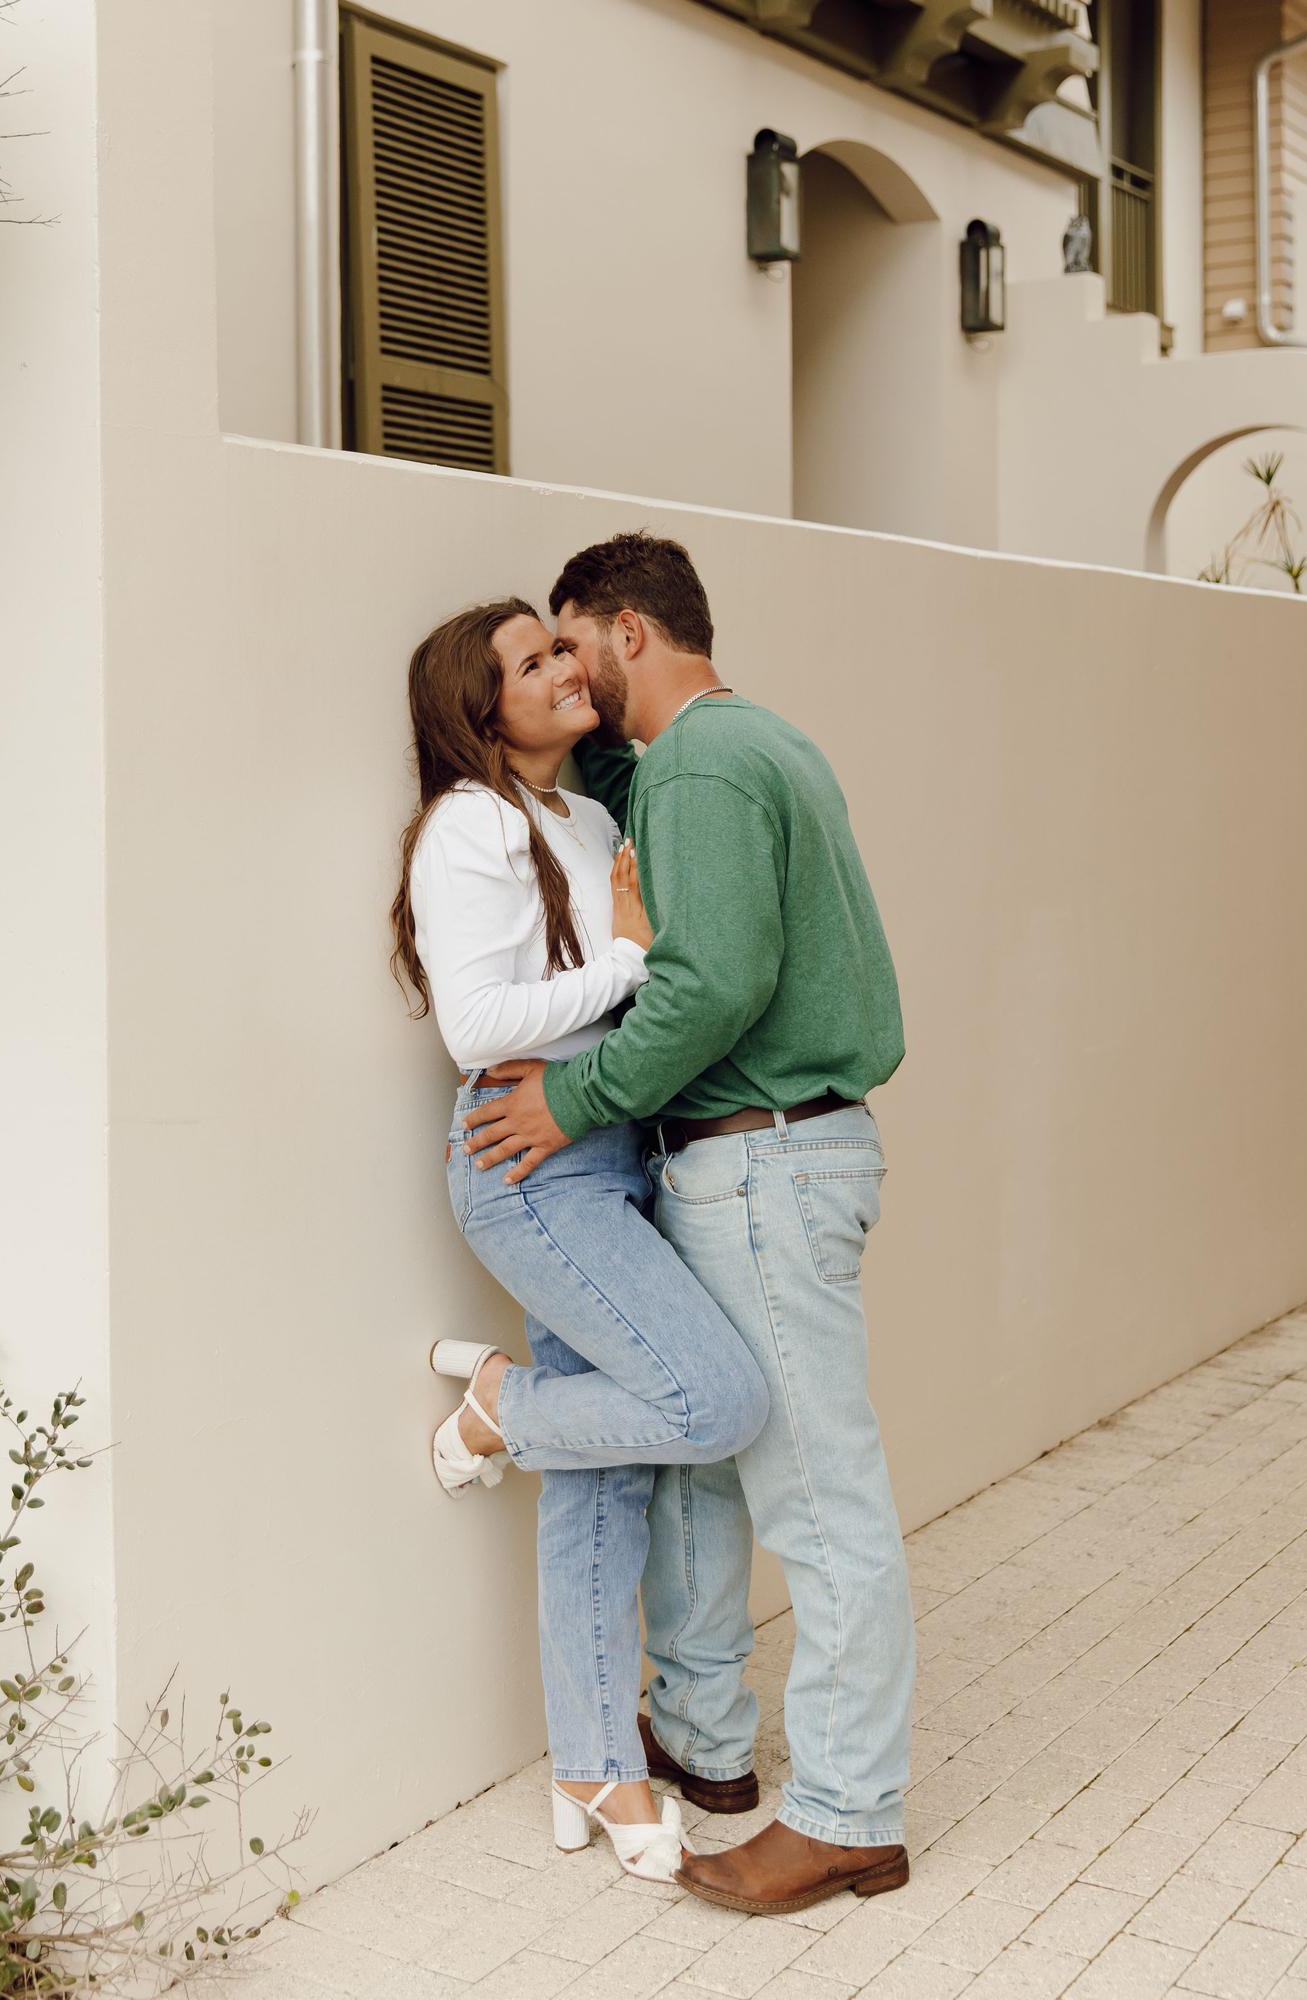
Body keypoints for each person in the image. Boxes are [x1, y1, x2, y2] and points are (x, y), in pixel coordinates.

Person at [462, 534, 916, 1917]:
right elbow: (629, 799)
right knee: (709, 1470)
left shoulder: (708, 770)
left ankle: (845, 1814)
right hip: (762, 1159)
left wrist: (573, 1096)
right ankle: (711, 1747)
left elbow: (710, 985)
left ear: (625, 634)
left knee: (818, 1505)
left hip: (761, 1163)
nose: (560, 668)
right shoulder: (736, 750)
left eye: (568, 643)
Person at [390, 597, 770, 1886]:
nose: (565, 666)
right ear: (477, 705)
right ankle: (499, 1402)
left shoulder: (590, 817)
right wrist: (625, 960)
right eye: (530, 661)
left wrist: (628, 964)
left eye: (563, 647)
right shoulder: (470, 827)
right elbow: (480, 1025)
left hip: (606, 1145)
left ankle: (593, 1765)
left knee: (606, 1473)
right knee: (713, 1399)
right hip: (522, 1152)